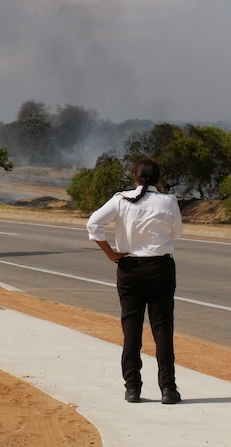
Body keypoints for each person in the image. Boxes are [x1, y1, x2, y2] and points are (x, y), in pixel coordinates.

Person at [86, 157, 183, 404]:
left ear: (135, 177)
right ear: (158, 179)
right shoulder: (168, 202)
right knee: (162, 330)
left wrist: (110, 253)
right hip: (160, 268)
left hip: (129, 268)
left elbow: (93, 223)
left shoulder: (121, 199)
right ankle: (168, 389)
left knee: (131, 330)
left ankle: (132, 388)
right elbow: (177, 232)